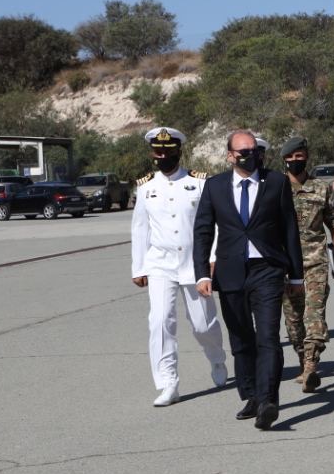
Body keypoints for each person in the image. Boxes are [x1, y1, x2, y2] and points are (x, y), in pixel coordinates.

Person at [193, 129, 306, 430]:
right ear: (229, 154)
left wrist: (296, 275)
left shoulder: (277, 182)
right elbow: (203, 231)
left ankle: (269, 399)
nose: (248, 156)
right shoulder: (215, 186)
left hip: (267, 269)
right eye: (241, 151)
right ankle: (252, 395)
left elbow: (289, 230)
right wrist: (202, 272)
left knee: (268, 336)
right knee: (241, 338)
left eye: (253, 150)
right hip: (230, 271)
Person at [131, 126, 227, 406]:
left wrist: (212, 257)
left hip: (194, 263)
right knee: (160, 321)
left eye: (168, 151)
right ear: (152, 153)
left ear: (178, 151)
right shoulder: (146, 186)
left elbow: (214, 225)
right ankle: (167, 381)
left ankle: (217, 359)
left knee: (202, 324)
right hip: (160, 264)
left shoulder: (199, 183)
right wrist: (139, 268)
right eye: (158, 152)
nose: (162, 156)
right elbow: (140, 229)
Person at [278, 136, 334, 394]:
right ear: (284, 160)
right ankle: (302, 357)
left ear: (306, 157)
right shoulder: (276, 187)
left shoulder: (321, 188)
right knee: (294, 320)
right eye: (291, 158)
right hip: (285, 265)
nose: (296, 161)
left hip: (315, 261)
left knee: (314, 314)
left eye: (300, 156)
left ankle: (311, 366)